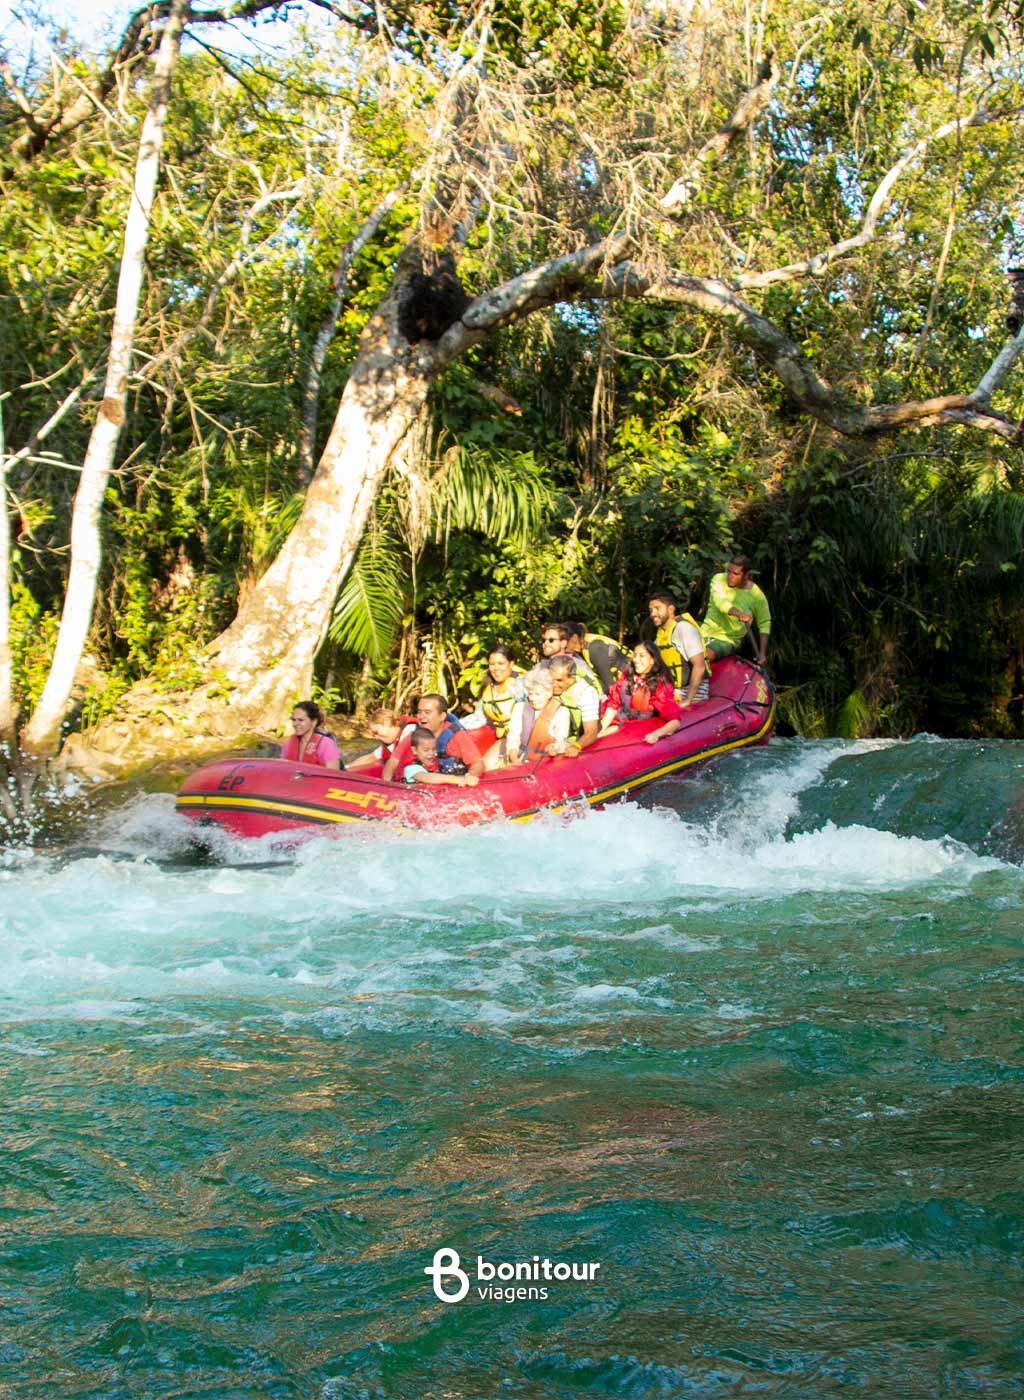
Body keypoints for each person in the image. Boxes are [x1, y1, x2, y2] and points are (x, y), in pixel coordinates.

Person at [382, 693, 485, 781]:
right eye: (419, 712)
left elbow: (477, 763)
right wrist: (387, 787)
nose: (421, 717)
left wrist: (470, 777)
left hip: (451, 785)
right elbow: (392, 763)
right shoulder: (414, 736)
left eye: (427, 712)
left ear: (442, 716)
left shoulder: (457, 735)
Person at [598, 641, 683, 745]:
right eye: (635, 655)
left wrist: (656, 734)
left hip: (637, 727)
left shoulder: (659, 685)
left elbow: (675, 721)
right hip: (619, 721)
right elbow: (613, 704)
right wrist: (600, 731)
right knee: (600, 735)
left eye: (641, 656)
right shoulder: (628, 675)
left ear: (652, 660)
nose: (635, 659)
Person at [485, 667, 572, 767]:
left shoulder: (561, 712)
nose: (533, 698)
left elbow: (561, 739)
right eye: (531, 694)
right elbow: (513, 736)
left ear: (549, 693)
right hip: (521, 758)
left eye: (538, 694)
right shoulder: (519, 708)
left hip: (547, 762)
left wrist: (555, 748)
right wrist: (513, 756)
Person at [701, 554, 771, 664]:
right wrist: (739, 614)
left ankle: (701, 680)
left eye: (735, 574)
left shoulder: (757, 595)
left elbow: (764, 623)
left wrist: (762, 654)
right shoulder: (718, 578)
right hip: (704, 631)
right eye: (728, 571)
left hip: (727, 640)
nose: (730, 576)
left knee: (703, 656)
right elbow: (721, 603)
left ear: (746, 575)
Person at [647, 592, 710, 708]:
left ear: (671, 609)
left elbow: (699, 666)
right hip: (674, 690)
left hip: (691, 692)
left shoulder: (684, 629)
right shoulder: (661, 636)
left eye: (657, 608)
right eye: (651, 610)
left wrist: (688, 700)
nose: (653, 614)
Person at [461, 645, 525, 739]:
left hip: (519, 737)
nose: (496, 668)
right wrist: (454, 727)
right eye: (492, 664)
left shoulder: (521, 685)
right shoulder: (488, 686)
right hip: (495, 736)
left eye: (501, 663)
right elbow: (479, 716)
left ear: (511, 664)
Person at [544, 655, 601, 753]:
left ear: (572, 679)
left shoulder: (587, 693)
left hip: (575, 741)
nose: (554, 685)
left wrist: (576, 746)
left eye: (559, 680)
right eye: (551, 680)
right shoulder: (545, 684)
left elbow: (591, 732)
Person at [402, 727, 481, 787]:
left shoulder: (433, 765)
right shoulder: (410, 769)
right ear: (414, 750)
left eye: (434, 749)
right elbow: (427, 778)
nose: (431, 753)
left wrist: (468, 777)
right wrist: (455, 779)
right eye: (426, 750)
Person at [567, 620, 631, 692]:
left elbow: (609, 683)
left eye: (563, 640)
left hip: (631, 684)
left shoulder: (595, 648)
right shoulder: (582, 649)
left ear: (574, 638)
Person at [539, 622, 602, 693]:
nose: (545, 644)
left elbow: (594, 686)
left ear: (563, 643)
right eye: (543, 640)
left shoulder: (577, 665)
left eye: (551, 640)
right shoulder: (542, 665)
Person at [280, 700, 343, 769]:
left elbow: (333, 775)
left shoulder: (326, 744)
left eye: (301, 720)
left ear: (314, 722)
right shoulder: (288, 743)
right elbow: (283, 770)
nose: (295, 724)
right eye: (294, 720)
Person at [347, 709, 412, 770]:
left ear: (387, 722)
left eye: (376, 732)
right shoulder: (390, 744)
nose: (376, 737)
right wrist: (345, 768)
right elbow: (370, 758)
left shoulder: (411, 730)